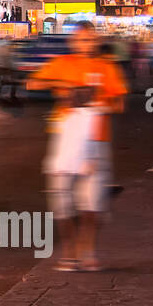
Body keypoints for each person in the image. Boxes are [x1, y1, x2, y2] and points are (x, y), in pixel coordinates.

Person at [27, 22, 127, 271]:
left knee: (92, 202)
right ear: (74, 42)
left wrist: (97, 103)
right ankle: (70, 252)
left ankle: (88, 250)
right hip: (65, 138)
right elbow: (32, 83)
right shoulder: (63, 64)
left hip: (96, 141)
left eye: (91, 40)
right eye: (82, 40)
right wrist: (64, 87)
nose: (87, 45)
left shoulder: (107, 67)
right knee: (61, 199)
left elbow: (120, 103)